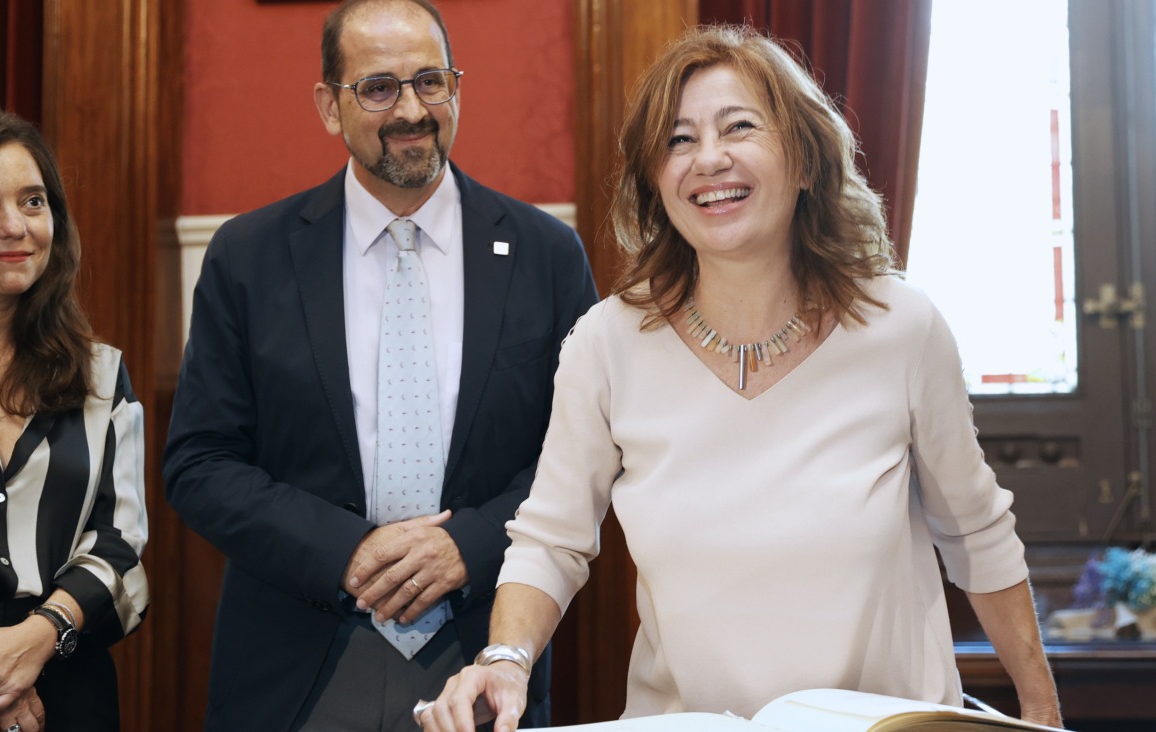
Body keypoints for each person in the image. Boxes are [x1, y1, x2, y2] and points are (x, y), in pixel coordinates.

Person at [421, 24, 1064, 732]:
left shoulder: (901, 327)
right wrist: (506, 657)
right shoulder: (606, 343)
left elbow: (975, 530)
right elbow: (551, 541)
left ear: (807, 161)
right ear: (654, 180)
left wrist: (1039, 709)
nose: (709, 159)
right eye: (678, 140)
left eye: (739, 127)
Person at [161, 0, 597, 730]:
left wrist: (470, 543)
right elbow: (200, 464)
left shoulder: (546, 255)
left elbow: (579, 456)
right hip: (299, 659)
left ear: (457, 88)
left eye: (431, 81)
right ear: (329, 106)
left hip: (485, 655)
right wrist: (347, 552)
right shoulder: (249, 256)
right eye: (378, 88)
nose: (412, 109)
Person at [0, 110, 149, 732]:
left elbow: (120, 541)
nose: (14, 226)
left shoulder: (103, 375)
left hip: (67, 680)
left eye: (33, 201)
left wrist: (35, 638)